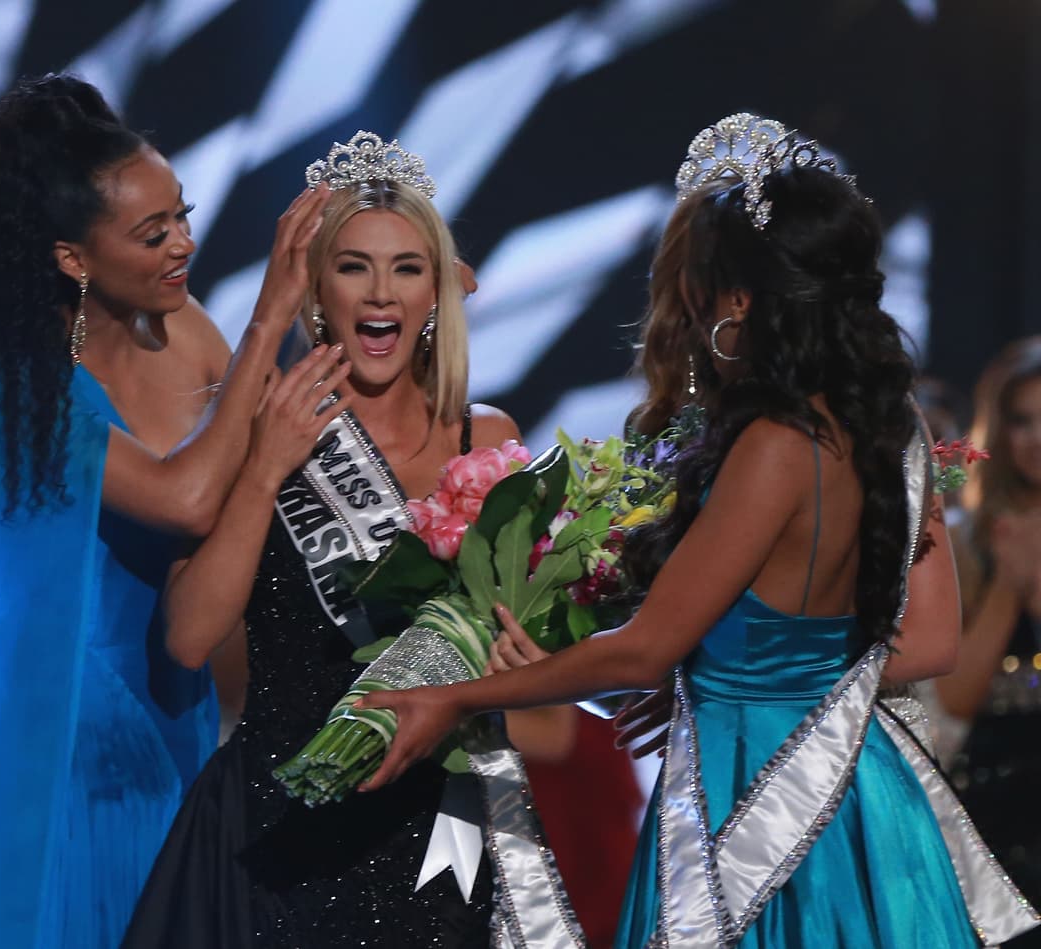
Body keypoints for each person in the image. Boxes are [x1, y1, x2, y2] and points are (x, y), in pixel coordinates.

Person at [356, 114, 1040, 947]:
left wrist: (451, 694)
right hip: (861, 791)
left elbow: (647, 648)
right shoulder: (888, 427)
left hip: (754, 789)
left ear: (742, 299)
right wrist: (725, 676)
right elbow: (929, 645)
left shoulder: (776, 445)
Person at [0, 74, 343, 949]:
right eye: (154, 233)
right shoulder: (10, 383)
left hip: (173, 722)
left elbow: (266, 474)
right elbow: (187, 498)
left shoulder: (190, 336)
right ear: (72, 256)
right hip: (50, 749)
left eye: (181, 215)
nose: (184, 243)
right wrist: (269, 316)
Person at [123, 131, 576, 949]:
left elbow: (548, 709)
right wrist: (264, 469)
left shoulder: (490, 440)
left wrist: (518, 668)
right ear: (315, 293)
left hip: (442, 835)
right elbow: (188, 639)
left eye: (407, 267)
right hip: (281, 833)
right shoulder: (255, 427)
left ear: (437, 291)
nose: (381, 293)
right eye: (353, 265)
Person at [935, 337, 1041, 936]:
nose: (1036, 438)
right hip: (986, 809)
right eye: (1022, 419)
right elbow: (951, 702)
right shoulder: (962, 541)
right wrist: (1010, 578)